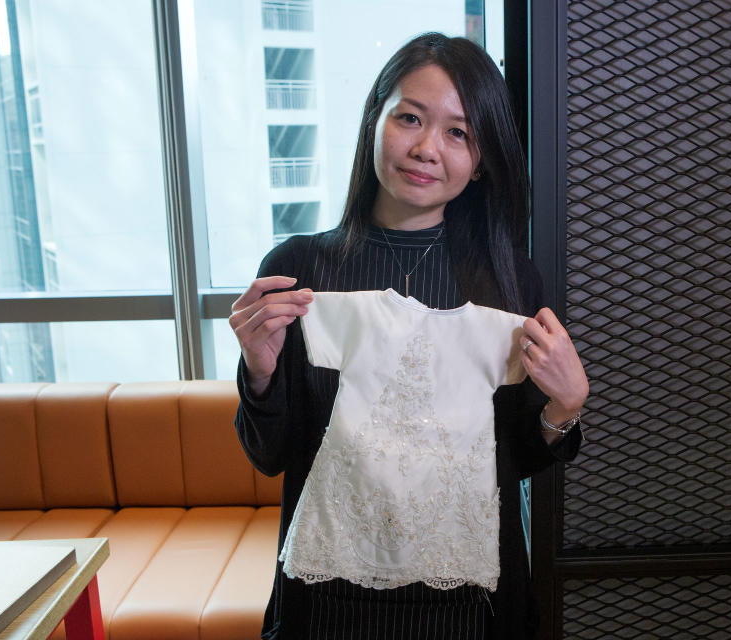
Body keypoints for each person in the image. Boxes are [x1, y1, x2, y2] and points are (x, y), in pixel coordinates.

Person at [229, 32, 589, 640]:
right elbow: (270, 457)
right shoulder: (301, 270)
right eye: (410, 118)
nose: (427, 148)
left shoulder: (507, 280)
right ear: (375, 121)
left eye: (458, 132)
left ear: (481, 162)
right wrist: (260, 374)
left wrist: (565, 406)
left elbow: (514, 460)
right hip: (328, 598)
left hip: (470, 599)